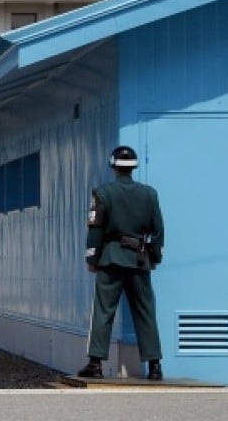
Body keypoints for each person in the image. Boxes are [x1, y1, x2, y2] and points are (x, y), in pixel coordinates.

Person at [78, 145, 165, 381]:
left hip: (111, 258)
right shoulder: (150, 194)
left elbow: (95, 229)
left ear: (114, 166)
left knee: (104, 311)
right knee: (145, 312)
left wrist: (92, 258)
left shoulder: (102, 193)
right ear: (133, 167)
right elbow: (158, 230)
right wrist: (154, 257)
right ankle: (154, 365)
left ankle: (95, 363)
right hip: (139, 259)